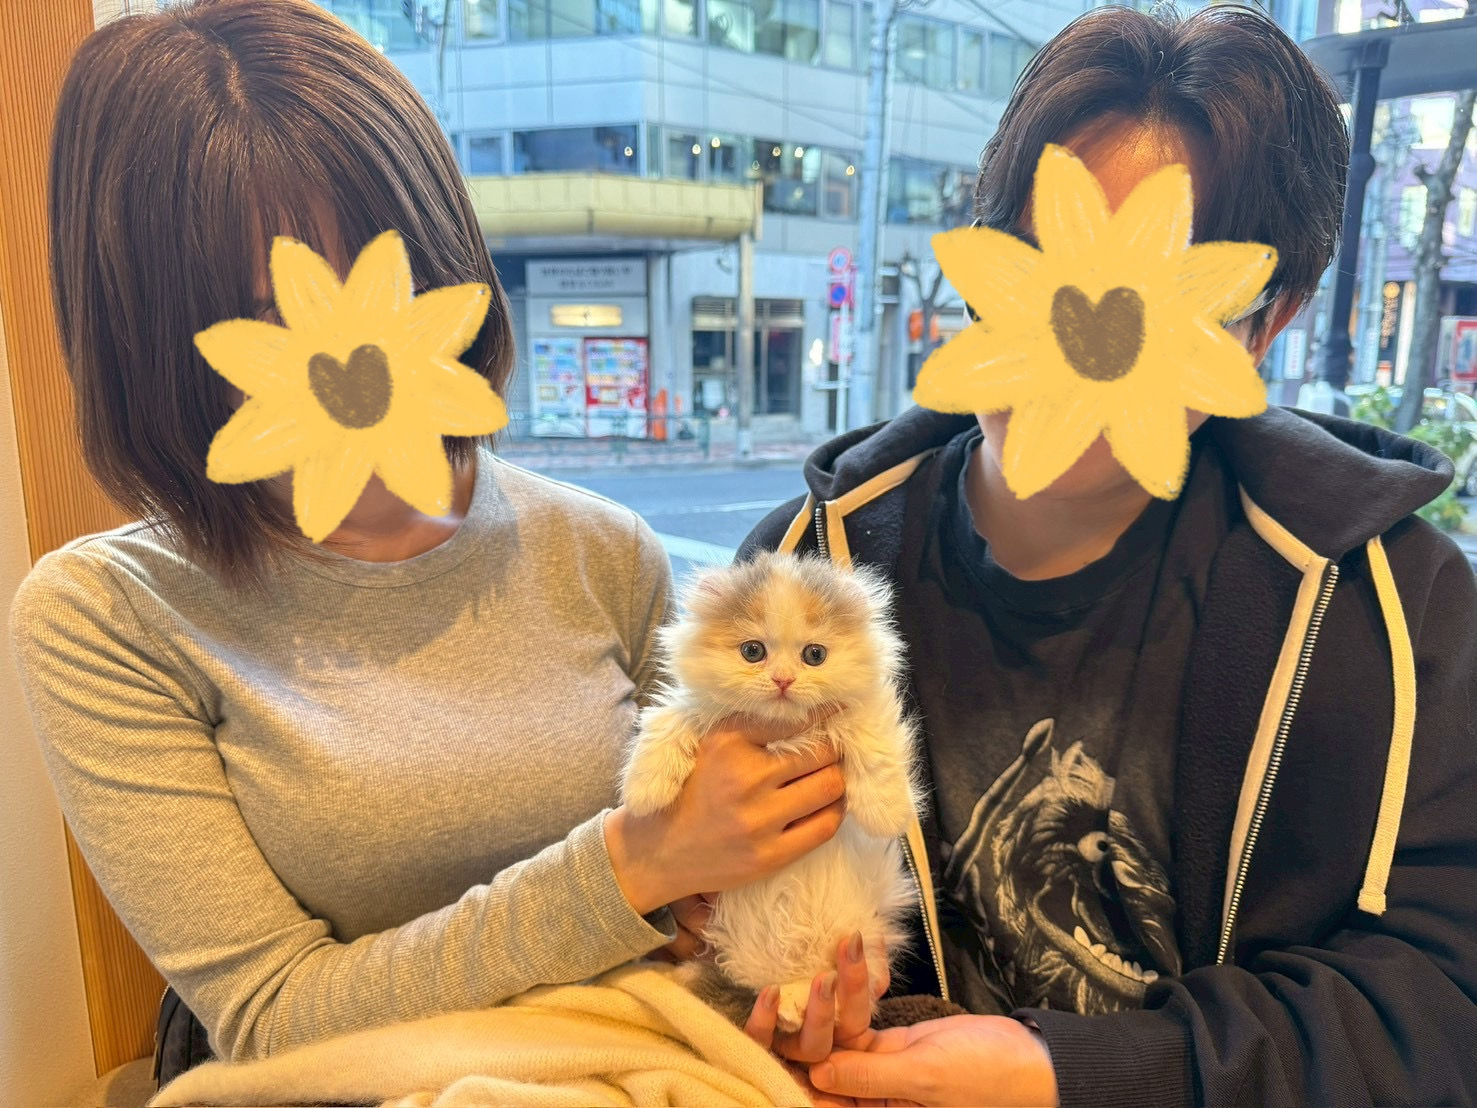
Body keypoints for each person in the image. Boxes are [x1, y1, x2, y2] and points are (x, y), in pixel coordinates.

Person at [9, 0, 867, 1083]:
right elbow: (270, 1016)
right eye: (271, 318)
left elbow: (708, 895)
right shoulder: (107, 616)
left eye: (394, 282)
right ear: (159, 343)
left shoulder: (603, 552)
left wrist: (774, 963)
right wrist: (631, 868)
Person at [741, 6, 1477, 1105]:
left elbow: (1440, 999)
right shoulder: (803, 577)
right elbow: (720, 879)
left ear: (1268, 322)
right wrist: (761, 955)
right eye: (1039, 269)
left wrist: (1072, 1073)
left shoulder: (1391, 610)